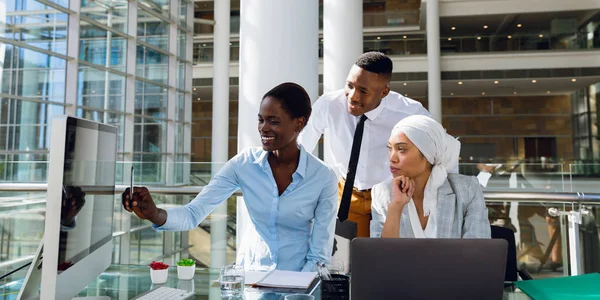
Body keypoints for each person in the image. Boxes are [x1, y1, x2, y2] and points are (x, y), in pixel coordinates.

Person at [122, 82, 338, 272]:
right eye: (261, 119)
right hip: (251, 277)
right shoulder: (244, 164)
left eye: (273, 121)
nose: (263, 128)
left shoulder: (323, 177)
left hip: (298, 280)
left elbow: (319, 255)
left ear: (298, 123)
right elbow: (193, 214)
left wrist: (297, 291)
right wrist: (154, 213)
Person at [299, 51, 432, 237]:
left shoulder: (411, 112)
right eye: (349, 85)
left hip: (392, 194)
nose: (353, 96)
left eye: (363, 91)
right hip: (348, 194)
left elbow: (440, 150)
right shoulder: (329, 105)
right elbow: (300, 148)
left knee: (388, 257)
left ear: (384, 92)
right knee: (346, 257)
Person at [370, 115, 490, 238]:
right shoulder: (381, 193)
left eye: (401, 149)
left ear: (428, 154)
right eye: (390, 148)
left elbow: (478, 250)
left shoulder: (467, 189)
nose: (392, 158)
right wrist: (395, 207)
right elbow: (381, 255)